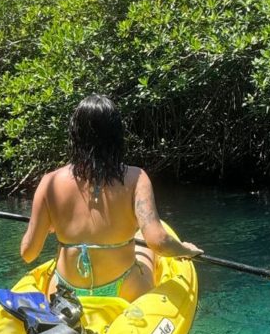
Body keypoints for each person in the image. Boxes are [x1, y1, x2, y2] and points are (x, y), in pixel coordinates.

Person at [20, 94, 202, 302]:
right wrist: (184, 249)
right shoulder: (136, 178)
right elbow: (158, 241)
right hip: (124, 286)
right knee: (147, 250)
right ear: (117, 135)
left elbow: (28, 253)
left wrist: (51, 224)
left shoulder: (49, 182)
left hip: (65, 291)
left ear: (75, 134)